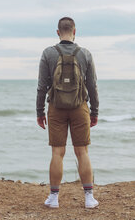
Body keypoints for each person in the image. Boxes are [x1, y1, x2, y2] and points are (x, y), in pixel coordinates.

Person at [36, 17, 99, 209]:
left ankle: (54, 198)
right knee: (82, 152)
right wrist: (94, 111)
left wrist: (40, 111)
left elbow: (41, 86)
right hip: (80, 107)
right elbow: (92, 85)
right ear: (74, 31)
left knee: (57, 152)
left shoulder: (48, 53)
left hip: (56, 107)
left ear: (57, 32)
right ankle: (89, 198)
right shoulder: (85, 53)